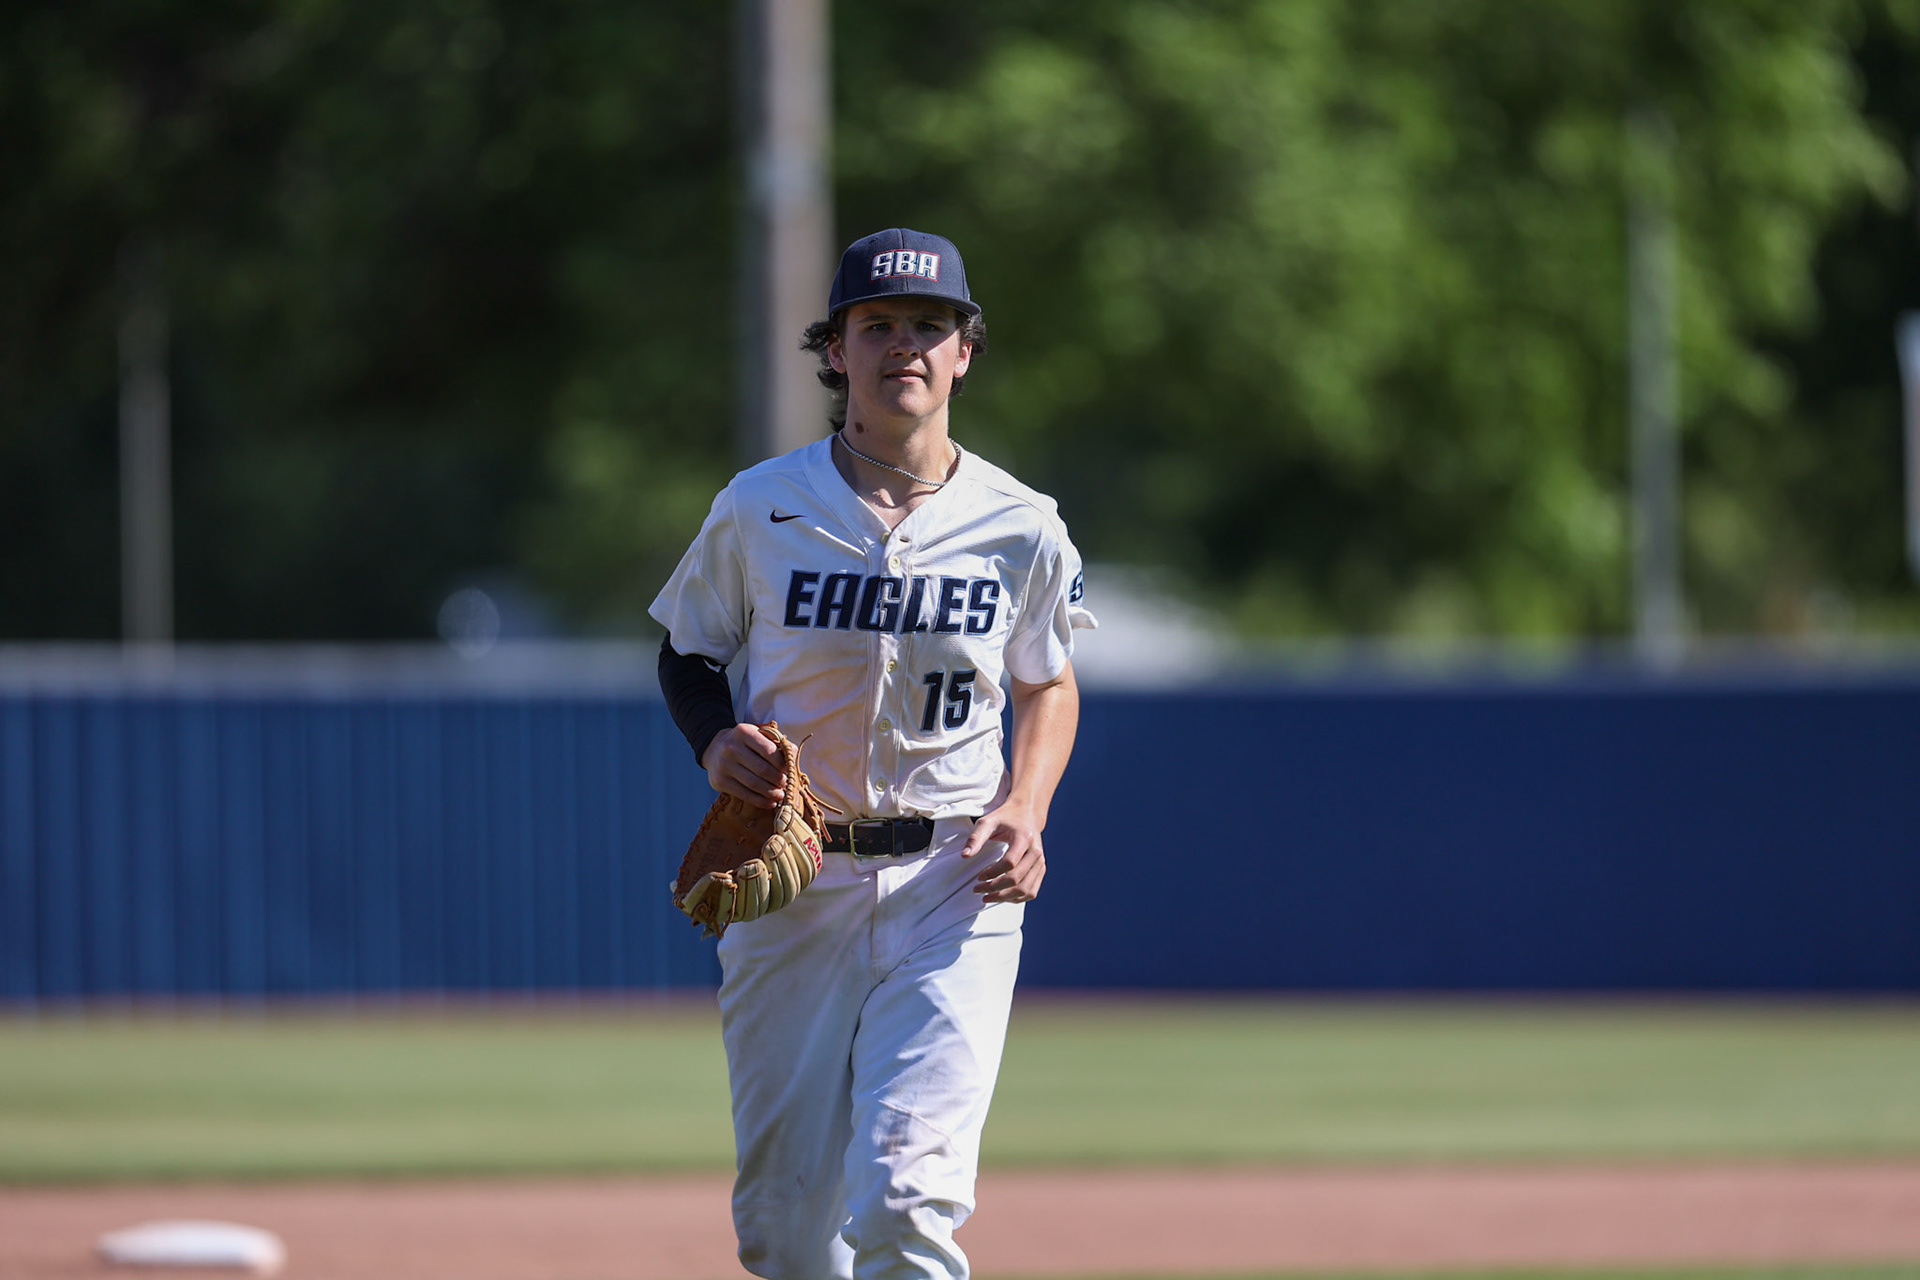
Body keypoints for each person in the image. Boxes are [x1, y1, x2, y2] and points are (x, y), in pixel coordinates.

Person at [649, 227, 1096, 1280]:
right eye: (878, 323)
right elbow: (687, 652)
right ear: (835, 349)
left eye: (930, 325)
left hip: (956, 880)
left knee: (905, 1201)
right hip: (798, 873)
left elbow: (1048, 680)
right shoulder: (762, 504)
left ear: (964, 352)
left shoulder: (1021, 524)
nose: (905, 344)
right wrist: (714, 740)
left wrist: (1027, 805)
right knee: (787, 1234)